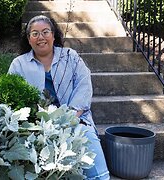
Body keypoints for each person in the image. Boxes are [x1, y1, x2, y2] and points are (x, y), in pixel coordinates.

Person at [8, 15, 110, 180]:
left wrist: (69, 118)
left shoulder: (70, 56)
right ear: (28, 39)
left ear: (53, 35)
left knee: (86, 138)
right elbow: (12, 97)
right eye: (35, 33)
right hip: (37, 124)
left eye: (45, 32)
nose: (40, 37)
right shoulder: (18, 64)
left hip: (74, 119)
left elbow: (84, 86)